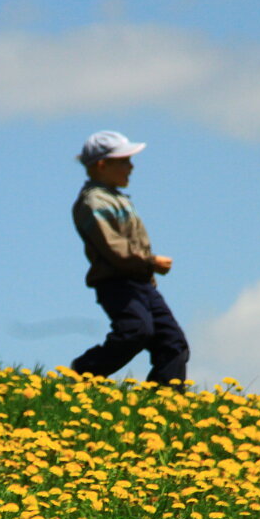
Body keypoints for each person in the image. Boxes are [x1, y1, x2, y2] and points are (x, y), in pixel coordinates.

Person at [70, 130, 189, 388]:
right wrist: (150, 262)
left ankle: (168, 401)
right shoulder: (94, 203)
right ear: (102, 165)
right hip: (117, 283)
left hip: (142, 283)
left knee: (173, 343)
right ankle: (81, 373)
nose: (131, 167)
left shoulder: (116, 198)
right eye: (124, 161)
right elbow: (113, 247)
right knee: (136, 331)